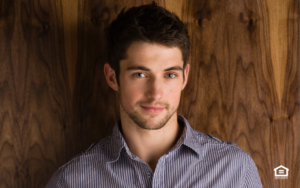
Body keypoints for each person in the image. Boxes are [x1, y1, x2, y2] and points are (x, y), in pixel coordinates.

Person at [46, 2, 263, 187]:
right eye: (140, 74)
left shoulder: (235, 170)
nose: (156, 93)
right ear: (112, 77)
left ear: (185, 77)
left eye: (169, 75)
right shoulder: (71, 181)